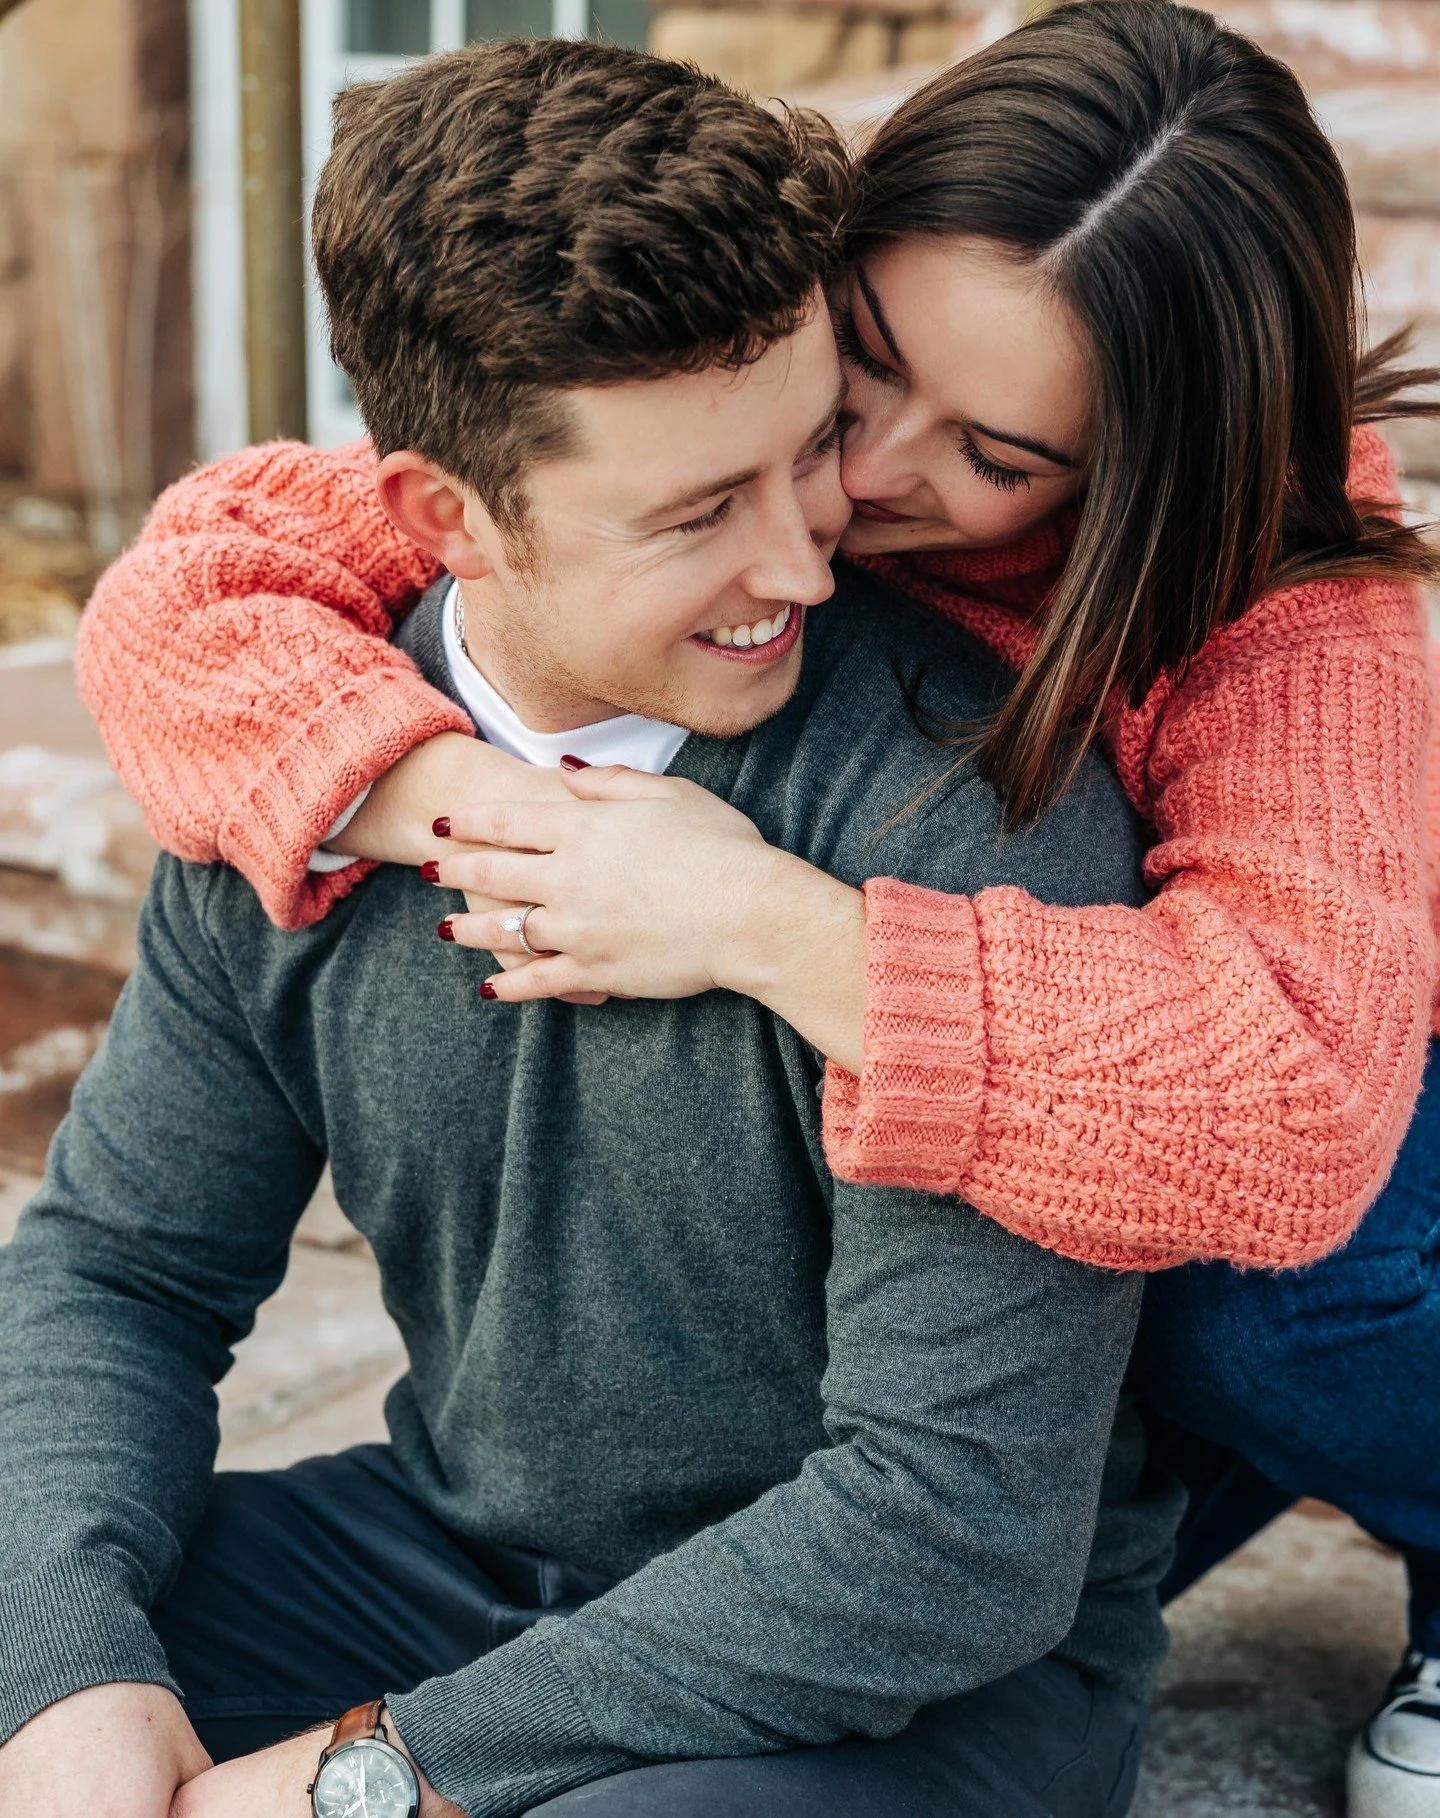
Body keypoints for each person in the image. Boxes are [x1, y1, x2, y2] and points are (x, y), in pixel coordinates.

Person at [73, 6, 1440, 1812]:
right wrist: (429, 787)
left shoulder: (1233, 664)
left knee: (1258, 1299)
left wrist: (768, 920)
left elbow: (1279, 1114)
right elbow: (204, 580)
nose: (858, 490)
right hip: (557, 1518)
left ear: (1131, 467)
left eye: (997, 457)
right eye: (865, 362)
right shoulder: (596, 470)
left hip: (1289, 1176)